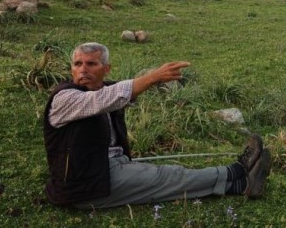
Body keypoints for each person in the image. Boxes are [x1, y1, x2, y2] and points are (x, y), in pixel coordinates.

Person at [43, 42, 271, 208]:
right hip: (83, 186)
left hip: (103, 166)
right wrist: (153, 77)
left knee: (163, 175)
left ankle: (238, 186)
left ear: (106, 68)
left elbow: (114, 94)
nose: (83, 70)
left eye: (91, 64)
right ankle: (237, 172)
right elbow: (104, 99)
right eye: (77, 64)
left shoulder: (104, 89)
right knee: (168, 177)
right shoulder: (65, 99)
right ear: (71, 68)